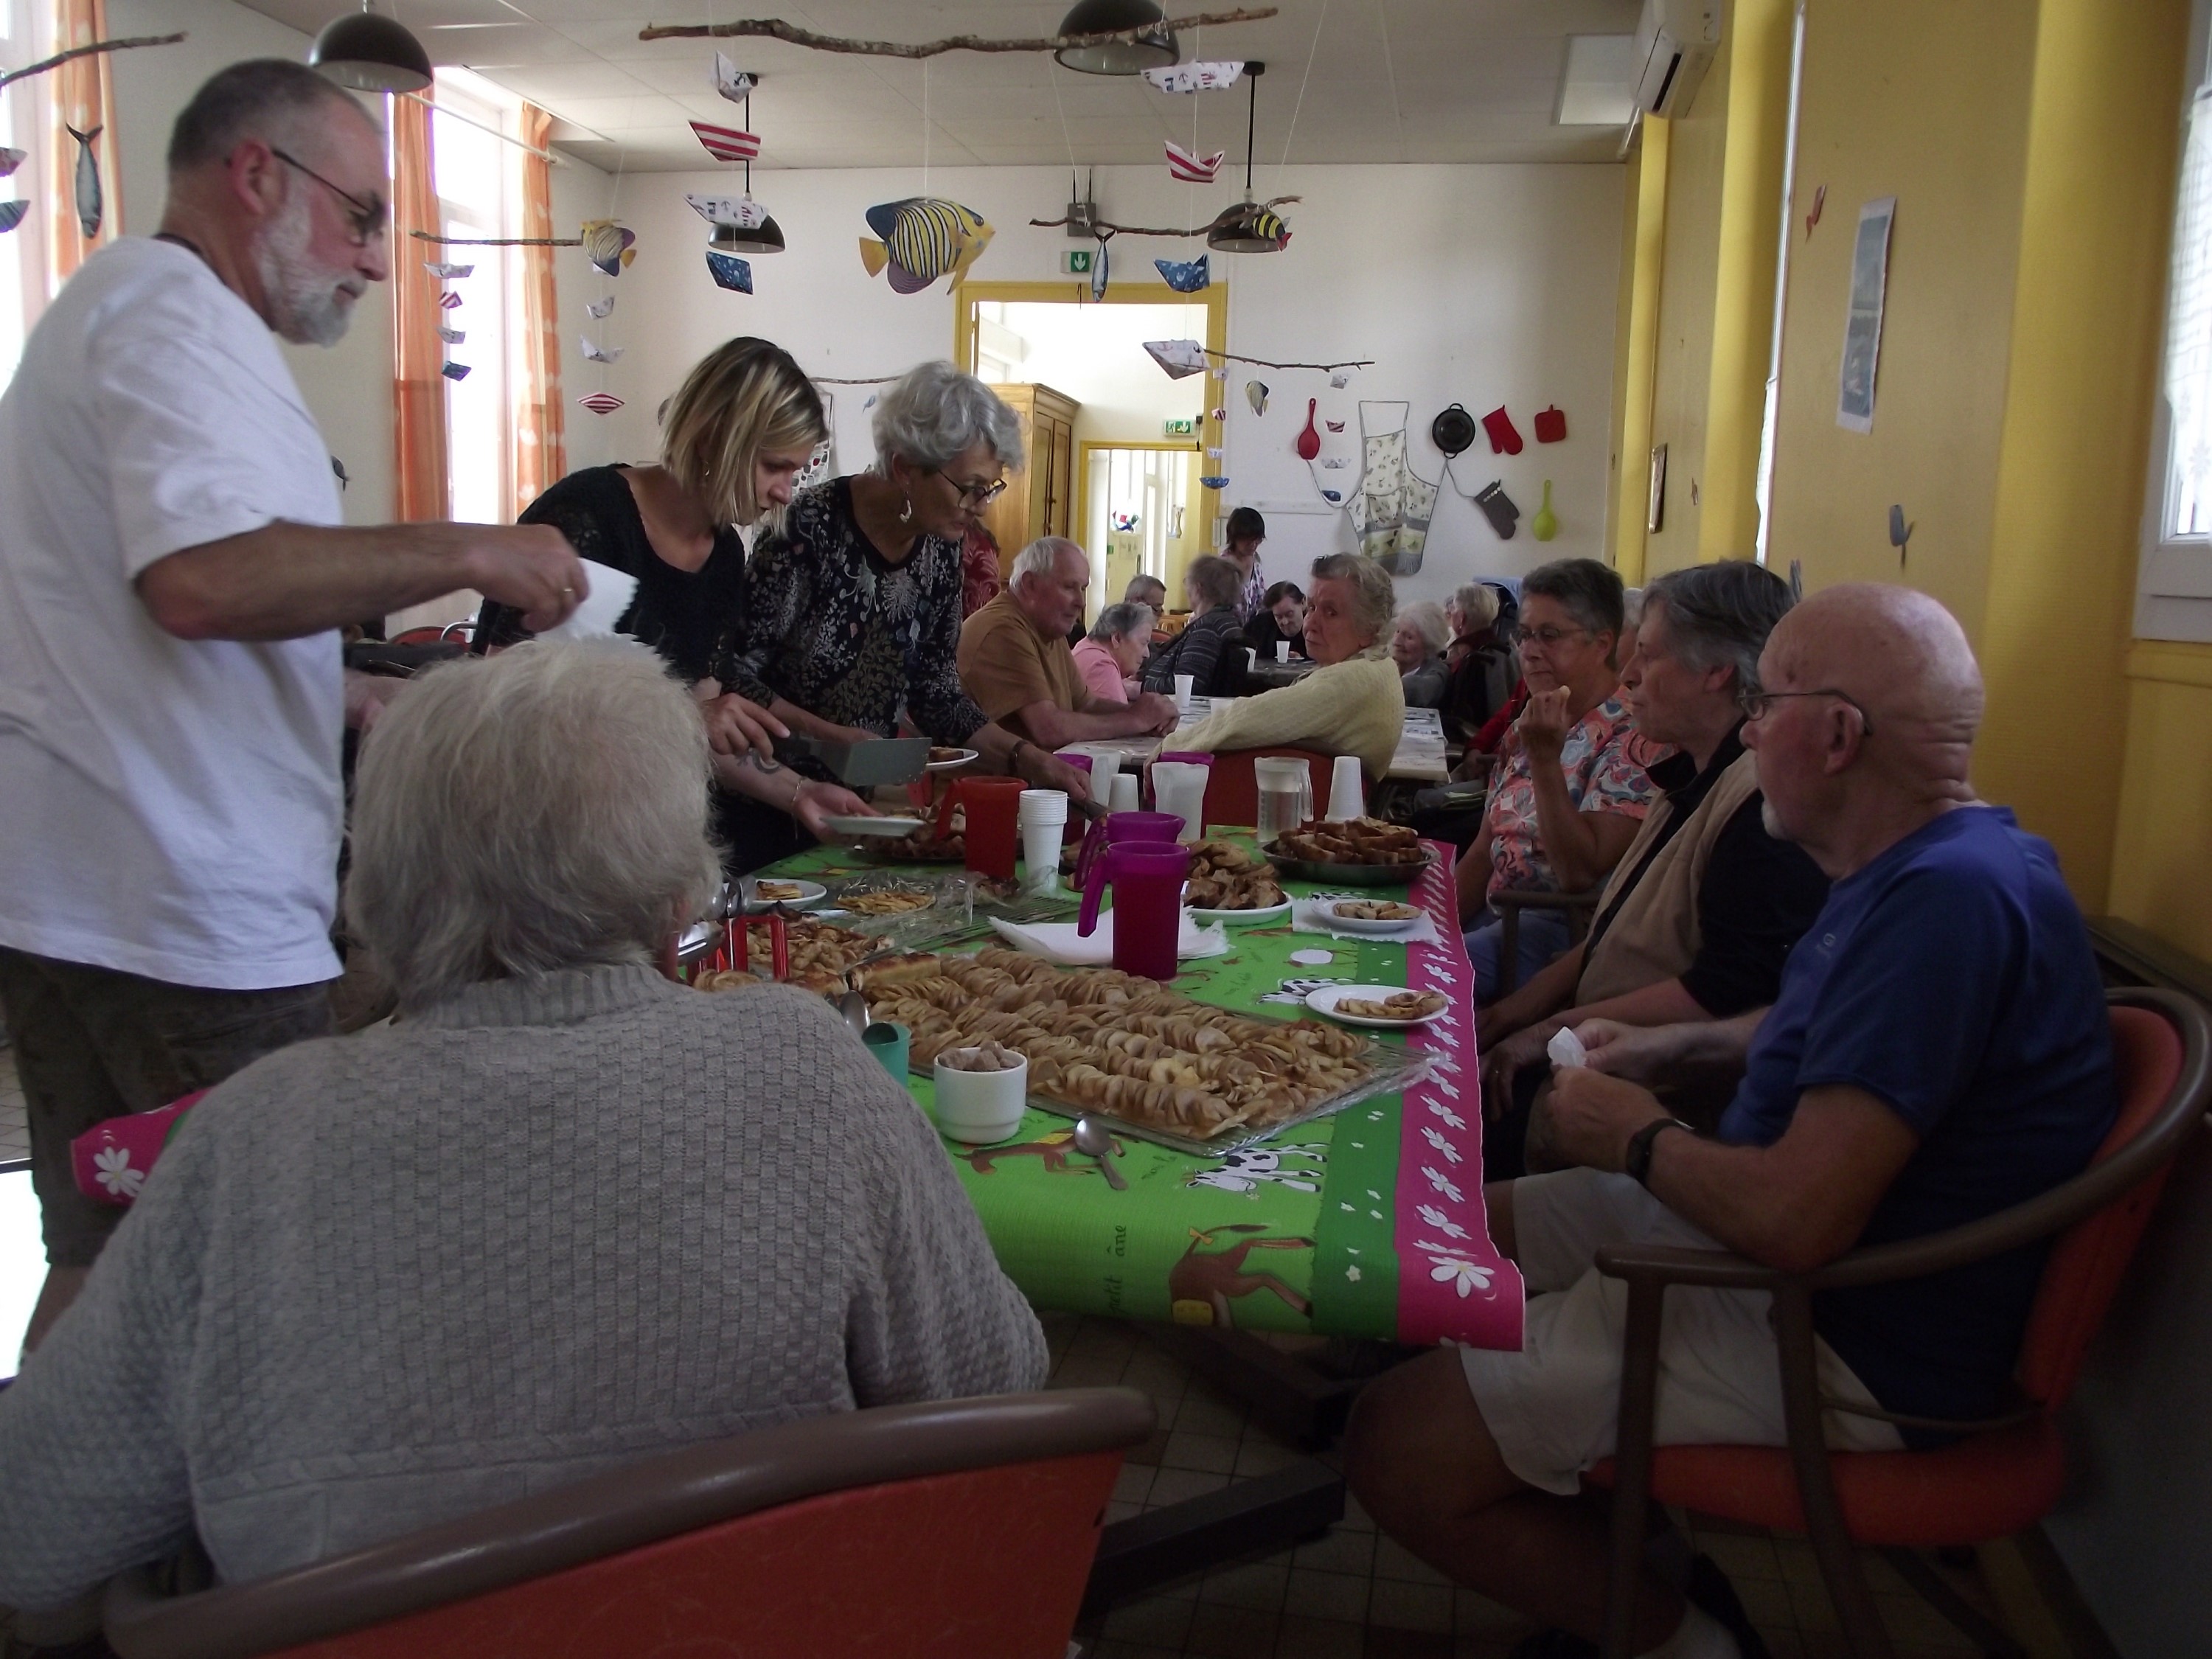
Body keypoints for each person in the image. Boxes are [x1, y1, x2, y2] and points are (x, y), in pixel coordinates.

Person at [0, 639, 1046, 1614]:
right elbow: (997, 1377)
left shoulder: (250, 1137)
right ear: (678, 890)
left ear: (371, 886)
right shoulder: (805, 1068)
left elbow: (34, 1529)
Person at [1344, 583, 2115, 1659]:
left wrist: (1638, 1134)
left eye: (1771, 706)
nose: (1752, 729)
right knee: (1434, 1230)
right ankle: (1617, 1552)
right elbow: (1819, 1029)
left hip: (1837, 1329)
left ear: (1839, 735)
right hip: (1770, 1257)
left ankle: (1692, 1639)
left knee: (1395, 1443)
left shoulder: (1945, 910)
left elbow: (1797, 1219)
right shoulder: (1948, 860)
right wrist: (1676, 1046)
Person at [0, 61, 589, 1357]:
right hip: (180, 923)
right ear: (255, 174)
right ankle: (252, 1563)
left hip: (84, 895)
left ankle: (50, 1550)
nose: (378, 262)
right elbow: (203, 581)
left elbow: (140, 622)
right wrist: (473, 548)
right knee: (271, 1294)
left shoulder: (120, 310)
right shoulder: (170, 314)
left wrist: (344, 687)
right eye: (365, 215)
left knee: (109, 1267)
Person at [1475, 563, 1830, 1179]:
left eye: (1648, 655)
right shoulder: (1691, 776)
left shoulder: (1759, 805)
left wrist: (1548, 1030)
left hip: (1646, 1097)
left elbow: (1727, 990)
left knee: (1443, 1126)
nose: (1631, 677)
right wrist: (1514, 1017)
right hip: (1588, 1049)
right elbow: (1612, 933)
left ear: (1715, 671)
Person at [470, 335, 874, 850]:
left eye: (794, 472)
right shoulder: (587, 517)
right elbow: (503, 705)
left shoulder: (724, 552)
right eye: (774, 466)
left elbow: (708, 733)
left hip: (629, 833)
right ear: (712, 439)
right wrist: (685, 716)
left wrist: (801, 793)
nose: (784, 492)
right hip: (528, 833)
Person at [712, 361, 1088, 866]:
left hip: (856, 815)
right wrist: (828, 734)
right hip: (762, 802)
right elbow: (734, 674)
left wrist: (1029, 759)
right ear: (905, 467)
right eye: (970, 487)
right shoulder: (809, 527)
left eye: (990, 489)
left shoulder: (942, 546)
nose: (980, 506)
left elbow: (938, 693)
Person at [1454, 558, 1660, 1003]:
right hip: (1496, 916)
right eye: (1524, 634)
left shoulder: (1634, 738)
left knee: (1423, 983)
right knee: (1384, 953)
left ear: (1602, 642)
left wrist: (1547, 762)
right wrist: (1422, 928)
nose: (1529, 650)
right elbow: (1483, 853)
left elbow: (1578, 873)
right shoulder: (1532, 721)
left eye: (1549, 636)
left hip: (1560, 934)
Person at [1161, 554, 1405, 781]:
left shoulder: (1354, 679)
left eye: (1331, 613)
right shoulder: (1381, 667)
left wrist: (1168, 748)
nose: (1310, 623)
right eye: (1312, 608)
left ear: (1370, 628)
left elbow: (1248, 718)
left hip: (1303, 817)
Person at [958, 538, 1178, 747]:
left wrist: (1148, 715)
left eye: (1083, 588)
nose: (1081, 602)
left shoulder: (1048, 629)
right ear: (1029, 585)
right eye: (1069, 587)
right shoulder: (1003, 629)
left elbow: (1087, 705)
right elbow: (1049, 729)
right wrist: (1136, 720)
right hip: (986, 784)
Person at [1140, 554, 1249, 701]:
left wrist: (1140, 687)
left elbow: (1186, 685)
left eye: (1187, 582)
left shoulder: (1208, 628)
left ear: (1198, 589)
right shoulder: (1227, 620)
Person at [1441, 582, 1515, 745]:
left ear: (1461, 618)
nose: (1449, 613)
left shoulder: (1464, 655)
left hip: (1462, 739)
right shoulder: (1503, 648)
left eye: (1452, 609)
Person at [1073, 601, 1156, 706]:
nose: (1147, 654)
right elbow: (1121, 721)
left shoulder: (1085, 648)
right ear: (1117, 638)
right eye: (1143, 643)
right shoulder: (1101, 666)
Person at [1391, 600, 1451, 708]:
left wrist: (1382, 687)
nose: (1397, 641)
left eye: (1409, 637)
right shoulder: (1387, 662)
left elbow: (1420, 691)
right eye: (1398, 631)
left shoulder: (1437, 671)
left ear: (1428, 644)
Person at [1222, 506, 1267, 621]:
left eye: (1258, 540)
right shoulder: (1223, 566)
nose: (1253, 545)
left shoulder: (1256, 563)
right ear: (1234, 537)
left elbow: (1260, 602)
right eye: (1248, 540)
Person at [1245, 580, 1307, 661]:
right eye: (1278, 617)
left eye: (1290, 614)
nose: (1285, 622)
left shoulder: (1317, 628)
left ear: (1303, 603)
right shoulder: (1260, 626)